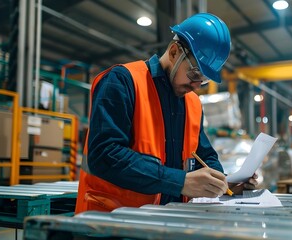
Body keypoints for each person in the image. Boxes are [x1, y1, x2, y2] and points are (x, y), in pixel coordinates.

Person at [75, 13, 258, 213]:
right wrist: (179, 182)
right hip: (110, 222)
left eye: (203, 79)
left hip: (163, 220)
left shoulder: (193, 103)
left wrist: (224, 184)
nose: (197, 85)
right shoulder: (122, 81)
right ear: (173, 52)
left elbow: (203, 157)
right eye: (195, 74)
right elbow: (104, 154)